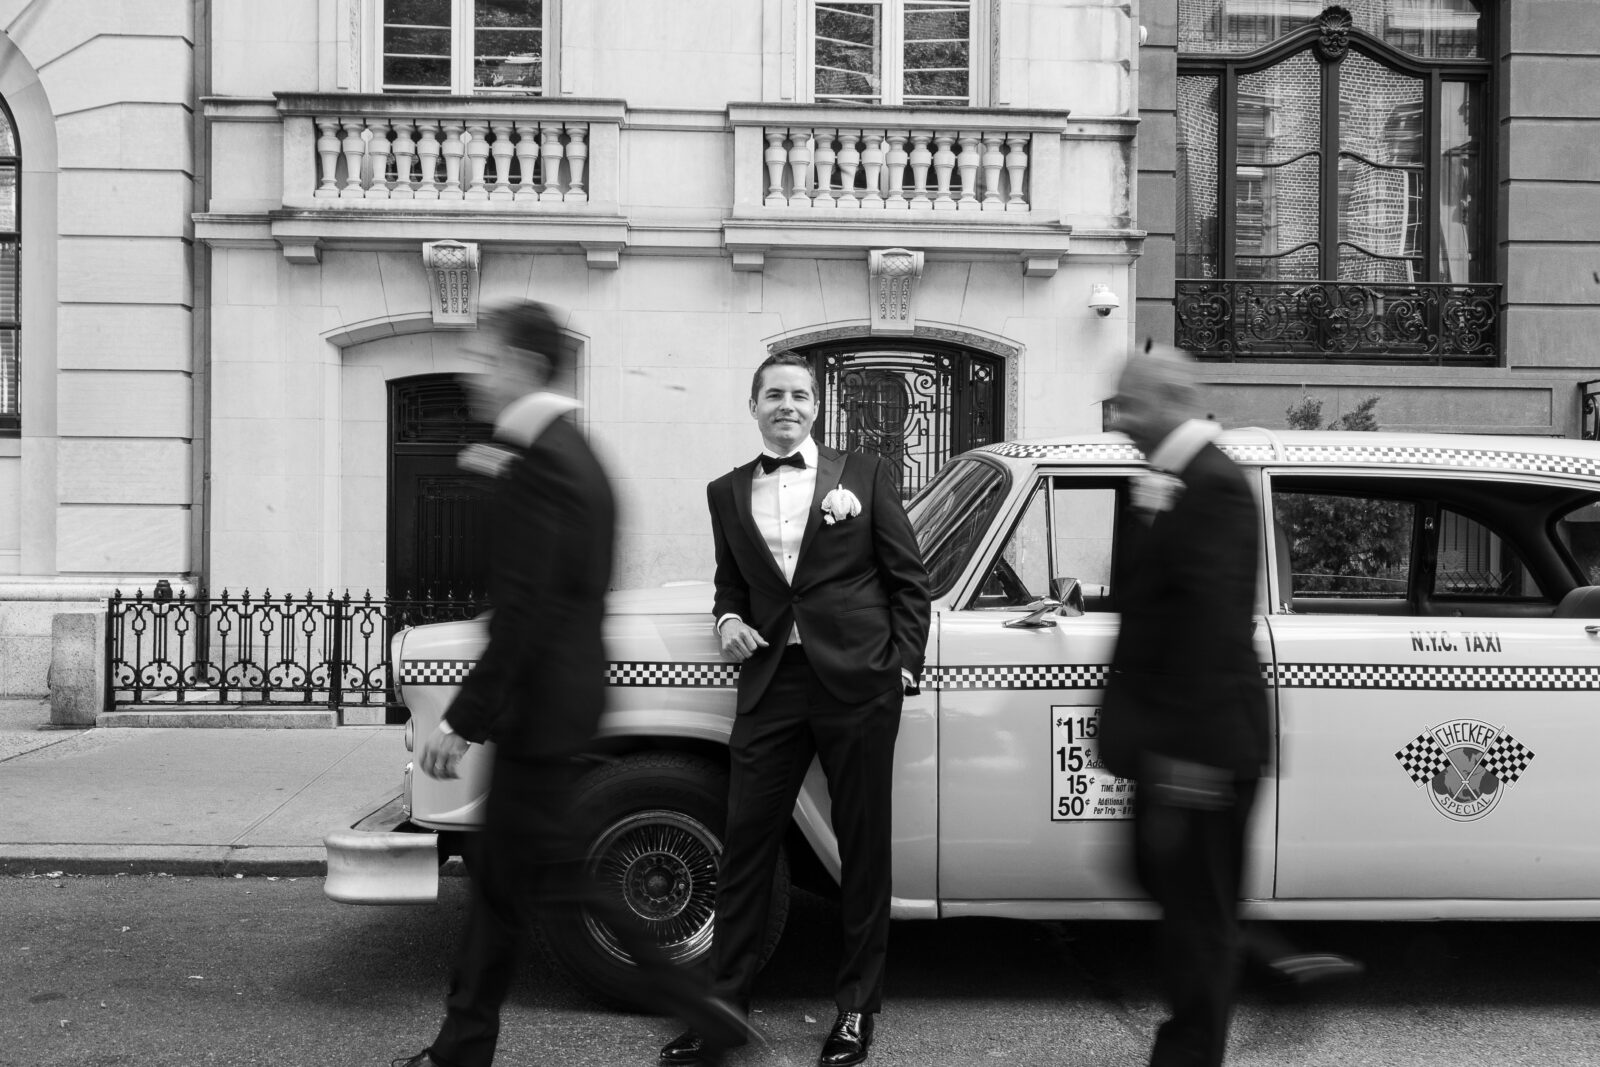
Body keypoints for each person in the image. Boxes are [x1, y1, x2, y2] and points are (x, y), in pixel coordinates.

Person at [394, 302, 748, 1067]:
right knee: (513, 880)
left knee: (548, 880)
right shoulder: (568, 453)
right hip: (558, 704)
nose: (474, 375)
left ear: (522, 363)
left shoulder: (544, 463)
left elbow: (527, 609)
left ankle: (700, 1008)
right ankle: (466, 1043)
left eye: (485, 360)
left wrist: (464, 720)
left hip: (541, 711)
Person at [659, 351, 932, 1067]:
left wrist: (902, 667)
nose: (788, 404)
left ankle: (854, 1010)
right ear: (754, 406)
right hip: (772, 683)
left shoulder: (864, 476)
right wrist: (726, 624)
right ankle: (721, 1012)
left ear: (817, 408)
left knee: (862, 848)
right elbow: (730, 584)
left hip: (859, 685)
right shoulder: (725, 492)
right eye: (775, 394)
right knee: (746, 846)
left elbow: (910, 580)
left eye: (801, 395)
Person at [1098, 342, 1270, 1067]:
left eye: (1128, 404)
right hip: (1168, 738)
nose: (1118, 421)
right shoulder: (1169, 477)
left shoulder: (1215, 484)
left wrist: (1186, 760)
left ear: (1167, 401)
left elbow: (1211, 625)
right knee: (1155, 876)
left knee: (1195, 911)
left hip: (1200, 743)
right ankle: (1264, 961)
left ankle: (1190, 1050)